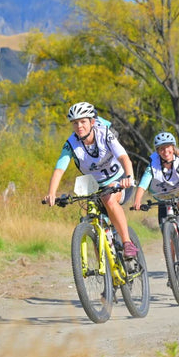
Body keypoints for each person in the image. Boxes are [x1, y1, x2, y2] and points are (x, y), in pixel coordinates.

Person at [43, 102, 139, 258]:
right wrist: (51, 193)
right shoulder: (71, 144)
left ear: (92, 122)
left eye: (83, 122)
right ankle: (106, 269)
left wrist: (129, 177)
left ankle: (128, 243)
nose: (79, 126)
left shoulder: (104, 134)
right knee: (92, 218)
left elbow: (123, 157)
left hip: (119, 180)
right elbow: (59, 168)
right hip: (95, 185)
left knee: (108, 200)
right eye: (75, 123)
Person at [133, 132, 179, 249]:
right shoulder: (153, 166)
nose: (165, 152)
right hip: (163, 197)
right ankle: (173, 266)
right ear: (157, 151)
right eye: (161, 149)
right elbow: (143, 185)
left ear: (173, 148)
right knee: (167, 238)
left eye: (168, 148)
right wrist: (137, 201)